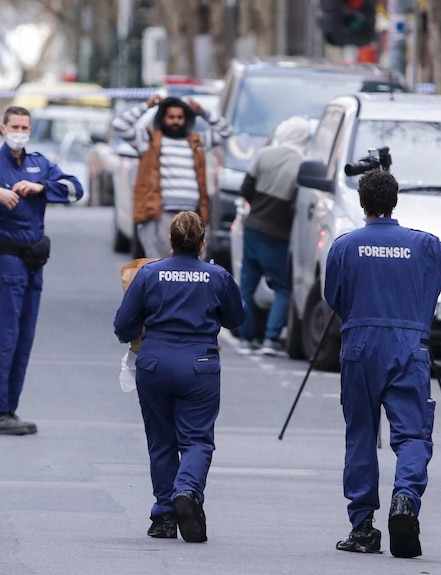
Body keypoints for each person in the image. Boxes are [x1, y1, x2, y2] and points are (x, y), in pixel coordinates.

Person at [323, 169, 441, 559]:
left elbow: (333, 297)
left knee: (360, 434)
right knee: (412, 435)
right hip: (409, 348)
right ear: (395, 201)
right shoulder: (423, 246)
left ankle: (362, 527)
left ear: (362, 203)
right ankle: (405, 500)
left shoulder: (344, 246)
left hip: (359, 345)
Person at [0, 106, 83, 435]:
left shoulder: (39, 164)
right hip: (8, 261)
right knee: (5, 336)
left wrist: (42, 188)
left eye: (25, 126)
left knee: (24, 338)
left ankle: (9, 409)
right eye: (15, 126)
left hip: (34, 262)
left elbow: (76, 189)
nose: (20, 131)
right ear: (4, 130)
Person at [113, 211, 246, 543]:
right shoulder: (217, 276)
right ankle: (186, 490)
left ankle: (163, 516)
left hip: (155, 362)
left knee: (161, 440)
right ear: (202, 243)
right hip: (199, 364)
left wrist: (135, 336)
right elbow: (236, 317)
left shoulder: (149, 274)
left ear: (170, 241)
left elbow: (123, 324)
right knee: (197, 440)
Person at [111, 94, 232, 258]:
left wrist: (202, 112)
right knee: (162, 263)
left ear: (187, 119)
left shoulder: (197, 143)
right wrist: (146, 106)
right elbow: (119, 125)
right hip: (160, 214)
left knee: (191, 265)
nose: (176, 121)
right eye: (171, 117)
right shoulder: (148, 141)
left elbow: (225, 130)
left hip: (192, 215)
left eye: (180, 117)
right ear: (162, 119)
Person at [237, 116, 311, 357]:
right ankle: (271, 337)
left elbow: (246, 189)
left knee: (247, 283)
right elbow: (298, 205)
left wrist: (257, 208)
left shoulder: (264, 154)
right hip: (278, 234)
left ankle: (246, 336)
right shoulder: (302, 163)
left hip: (253, 227)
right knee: (281, 287)